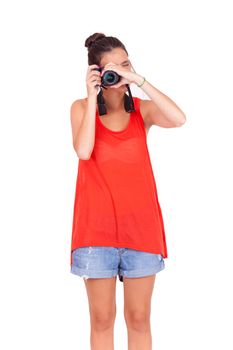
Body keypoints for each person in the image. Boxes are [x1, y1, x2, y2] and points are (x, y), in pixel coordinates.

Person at [69, 32, 186, 350]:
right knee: (102, 320)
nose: (118, 73)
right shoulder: (81, 108)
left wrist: (139, 79)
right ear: (96, 73)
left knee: (139, 319)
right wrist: (93, 97)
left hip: (142, 232)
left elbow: (178, 119)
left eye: (125, 64)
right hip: (96, 232)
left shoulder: (143, 112)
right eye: (111, 68)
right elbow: (83, 150)